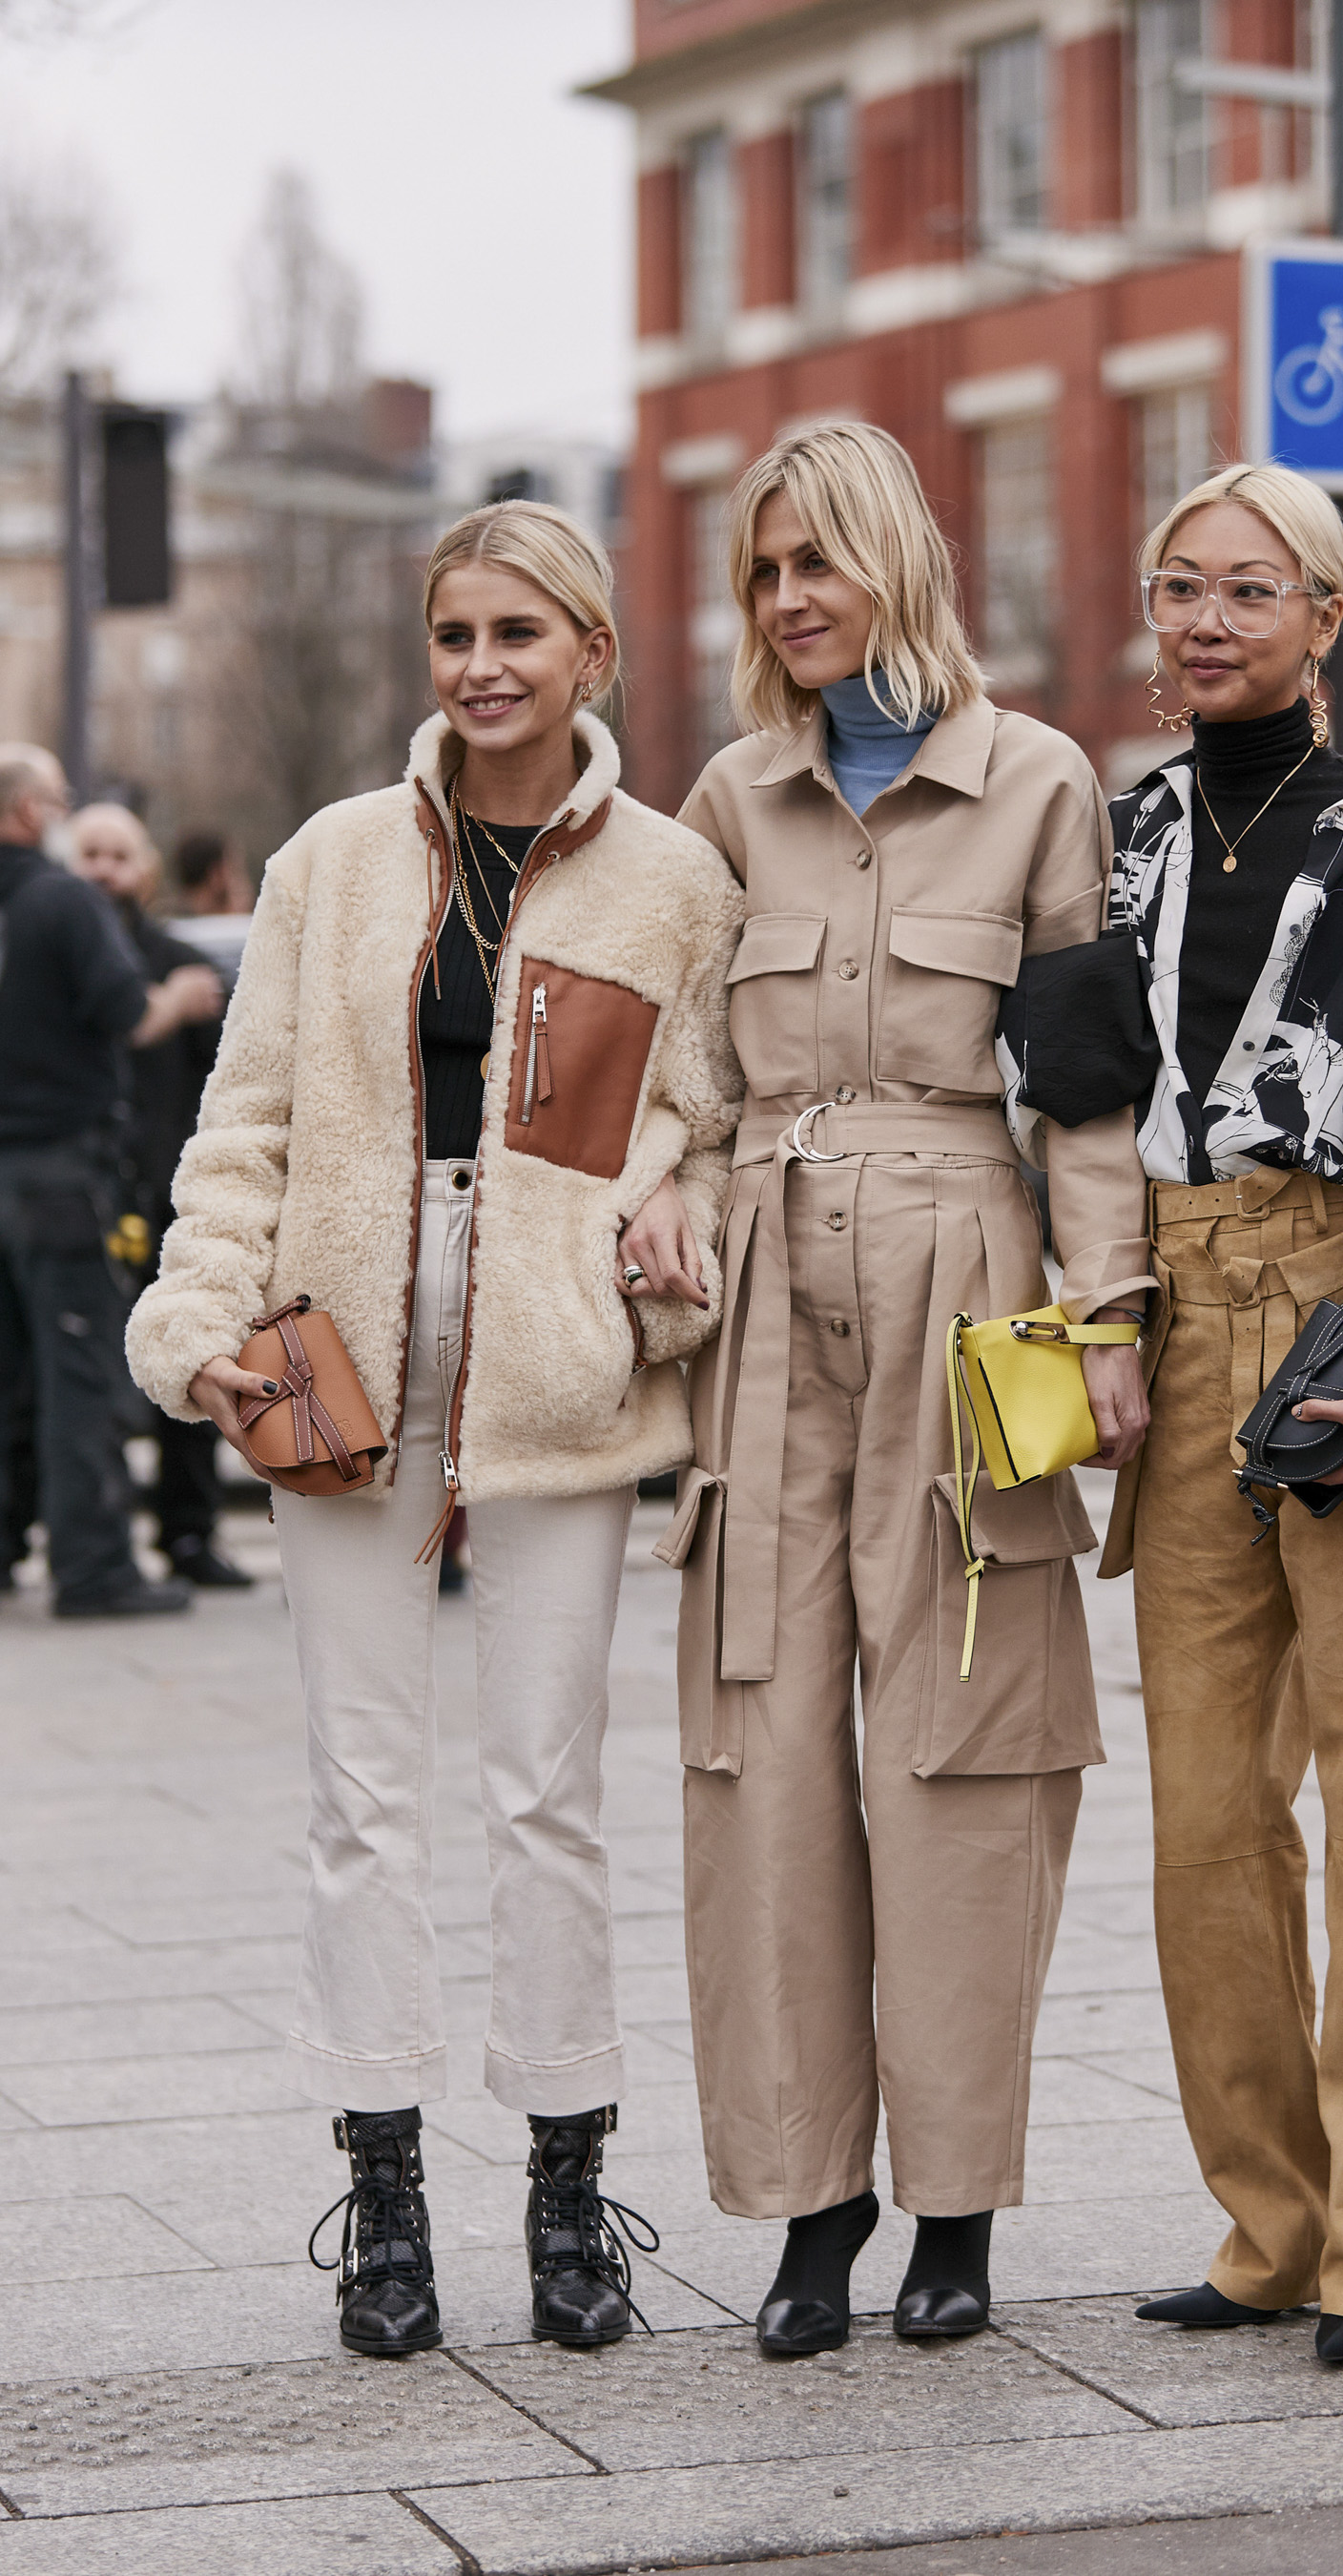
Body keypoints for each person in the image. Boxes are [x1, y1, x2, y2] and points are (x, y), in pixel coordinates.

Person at [127, 502, 743, 2358]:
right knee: (358, 1799)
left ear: (593, 658)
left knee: (549, 1798)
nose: (481, 668)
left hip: (555, 1379)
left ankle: (570, 2181)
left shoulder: (670, 883)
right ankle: (381, 2178)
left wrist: (668, 1198)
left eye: (519, 636)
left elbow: (696, 1114)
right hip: (341, 1371)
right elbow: (247, 1130)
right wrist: (194, 1326)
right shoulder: (327, 868)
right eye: (454, 635)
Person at [1015, 464, 1343, 2366]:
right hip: (1175, 1312)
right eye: (1178, 587)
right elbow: (1069, 1088)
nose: (1206, 618)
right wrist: (1102, 1319)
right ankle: (1270, 2223)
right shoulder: (1122, 840)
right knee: (1206, 1820)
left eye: (1251, 588)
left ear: (1327, 618)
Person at [659, 422, 1150, 2358]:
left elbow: (1089, 1088)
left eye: (817, 564)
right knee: (762, 1752)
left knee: (965, 1739)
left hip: (974, 1277)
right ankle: (812, 2205)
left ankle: (956, 2205)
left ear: (894, 565)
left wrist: (1109, 1317)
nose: (788, 603)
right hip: (770, 1284)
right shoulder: (724, 800)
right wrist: (664, 1207)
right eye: (764, 572)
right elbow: (681, 1084)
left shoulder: (1037, 783)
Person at [0, 746, 222, 1617]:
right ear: (26, 812)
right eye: (57, 803)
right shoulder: (63, 902)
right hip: (60, 1175)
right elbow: (130, 1017)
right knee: (78, 1372)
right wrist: (184, 996)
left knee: (8, 1373)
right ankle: (93, 1568)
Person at [69, 803, 246, 1588]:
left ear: (145, 869)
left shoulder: (187, 966)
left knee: (193, 1373)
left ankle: (188, 1534)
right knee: (66, 1382)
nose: (105, 869)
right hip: (87, 1200)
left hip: (171, 1203)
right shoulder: (58, 962)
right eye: (90, 854)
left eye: (118, 854)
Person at [165, 828, 253, 981]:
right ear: (218, 875)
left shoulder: (165, 934)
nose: (246, 885)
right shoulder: (249, 940)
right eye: (236, 870)